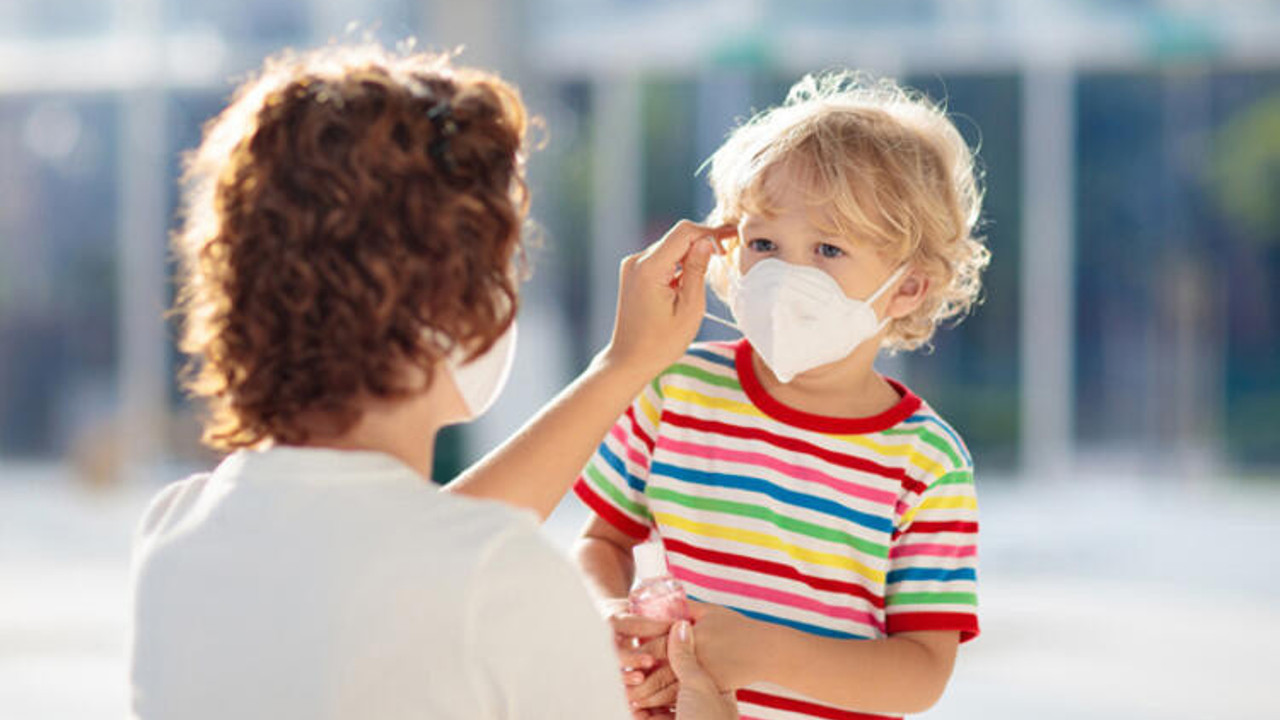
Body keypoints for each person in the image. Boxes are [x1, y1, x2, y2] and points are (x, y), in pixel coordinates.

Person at [128, 43, 738, 720]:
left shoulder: (177, 534)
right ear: (449, 298)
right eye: (504, 261)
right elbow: (443, 557)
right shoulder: (506, 585)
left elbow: (391, 549)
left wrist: (622, 368)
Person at [573, 72, 989, 720]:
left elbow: (922, 674)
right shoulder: (674, 389)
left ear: (908, 288)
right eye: (764, 244)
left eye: (828, 249)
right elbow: (601, 542)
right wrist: (607, 614)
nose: (786, 274)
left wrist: (764, 654)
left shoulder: (926, 462)